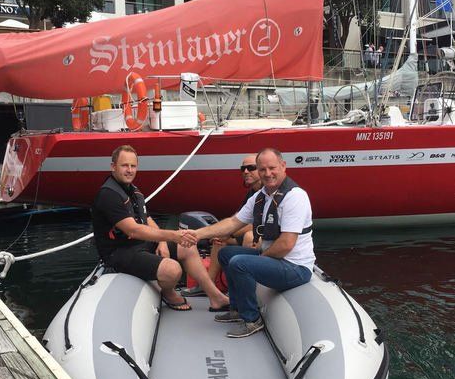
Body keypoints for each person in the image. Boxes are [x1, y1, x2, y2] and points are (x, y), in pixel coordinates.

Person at [91, 145, 229, 312]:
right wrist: (173, 235)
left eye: (133, 166)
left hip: (140, 245)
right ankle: (168, 293)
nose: (129, 170)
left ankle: (215, 297)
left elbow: (147, 218)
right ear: (113, 166)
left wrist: (162, 241)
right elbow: (133, 230)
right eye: (124, 165)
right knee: (173, 270)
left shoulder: (133, 191)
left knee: (188, 246)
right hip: (120, 253)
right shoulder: (109, 195)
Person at [194, 148, 315, 338]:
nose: (267, 174)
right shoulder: (262, 196)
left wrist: (259, 259)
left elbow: (286, 244)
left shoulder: (295, 197)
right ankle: (236, 308)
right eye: (262, 169)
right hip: (276, 260)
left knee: (240, 263)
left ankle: (252, 320)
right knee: (227, 254)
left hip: (295, 267)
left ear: (283, 166)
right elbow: (233, 223)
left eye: (272, 168)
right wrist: (197, 234)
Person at [205, 154, 263, 283]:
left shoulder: (268, 191)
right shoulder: (252, 192)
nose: (246, 171)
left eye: (251, 168)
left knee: (249, 236)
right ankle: (209, 284)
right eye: (243, 169)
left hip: (268, 235)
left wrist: (229, 233)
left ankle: (249, 283)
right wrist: (221, 232)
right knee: (218, 241)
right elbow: (238, 217)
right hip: (252, 232)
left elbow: (259, 224)